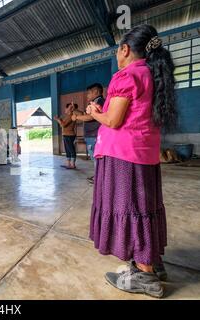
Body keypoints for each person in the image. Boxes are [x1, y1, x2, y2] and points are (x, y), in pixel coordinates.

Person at [88, 24, 176, 298]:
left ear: (125, 49)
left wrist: (94, 112)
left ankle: (145, 276)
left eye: (118, 50)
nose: (117, 55)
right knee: (144, 206)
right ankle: (151, 263)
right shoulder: (153, 74)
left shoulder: (127, 75)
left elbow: (114, 121)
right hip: (143, 154)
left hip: (122, 155)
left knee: (129, 206)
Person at [72, 84, 104, 183]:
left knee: (96, 158)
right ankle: (98, 176)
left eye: (89, 93)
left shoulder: (99, 101)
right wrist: (75, 111)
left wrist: (76, 118)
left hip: (94, 135)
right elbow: (85, 114)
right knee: (94, 158)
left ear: (96, 92)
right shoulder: (94, 102)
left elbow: (91, 117)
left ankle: (99, 179)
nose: (87, 95)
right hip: (92, 135)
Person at [54, 103, 77, 169]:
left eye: (70, 108)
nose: (67, 109)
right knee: (67, 150)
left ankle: (73, 165)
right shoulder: (67, 116)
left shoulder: (71, 116)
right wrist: (59, 120)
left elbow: (63, 125)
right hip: (66, 135)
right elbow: (62, 124)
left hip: (69, 135)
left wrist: (58, 119)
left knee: (71, 149)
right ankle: (68, 164)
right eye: (68, 107)